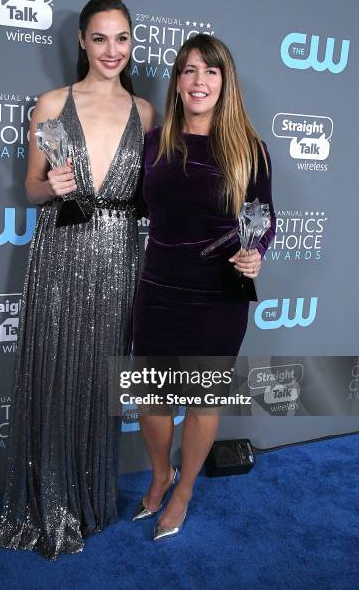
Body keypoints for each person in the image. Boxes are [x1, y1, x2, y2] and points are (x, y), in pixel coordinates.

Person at [0, 0, 153, 559]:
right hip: (61, 254)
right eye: (100, 38)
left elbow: (151, 200)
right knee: (56, 371)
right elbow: (31, 187)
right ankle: (49, 501)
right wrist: (51, 188)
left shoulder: (147, 113)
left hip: (119, 263)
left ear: (131, 44)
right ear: (82, 42)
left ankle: (89, 498)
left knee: (98, 378)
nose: (112, 50)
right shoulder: (51, 104)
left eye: (122, 39)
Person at [132, 33, 276, 540]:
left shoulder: (247, 147)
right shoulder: (156, 141)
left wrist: (256, 252)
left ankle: (186, 490)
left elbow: (265, 219)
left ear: (224, 82)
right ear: (177, 82)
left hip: (218, 297)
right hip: (157, 288)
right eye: (189, 70)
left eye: (210, 71)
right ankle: (159, 475)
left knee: (202, 402)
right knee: (151, 401)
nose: (199, 81)